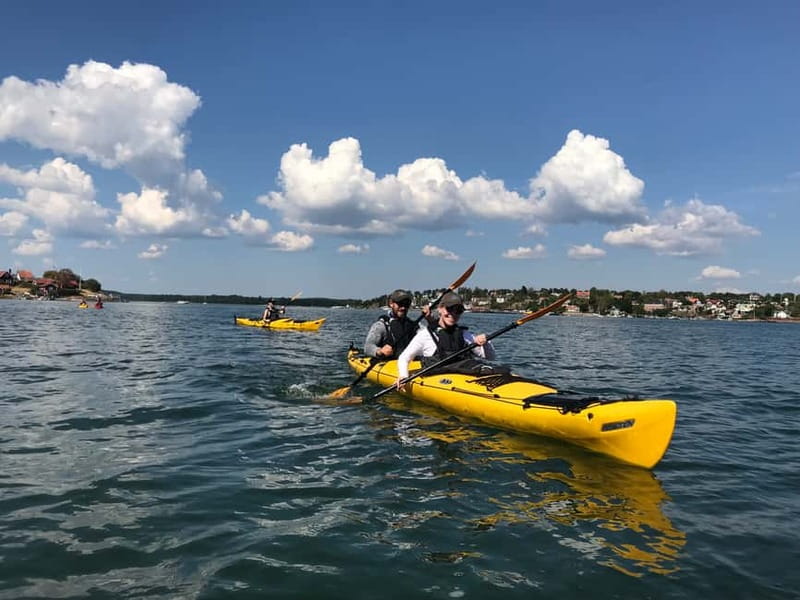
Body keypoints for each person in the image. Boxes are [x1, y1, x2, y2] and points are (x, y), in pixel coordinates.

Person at [396, 291, 507, 389]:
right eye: (449, 309)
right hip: (437, 381)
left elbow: (490, 357)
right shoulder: (425, 335)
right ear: (440, 309)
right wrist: (404, 376)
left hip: (463, 379)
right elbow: (404, 358)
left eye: (458, 311)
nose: (453, 314)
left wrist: (486, 343)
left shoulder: (464, 334)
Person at [364, 289, 420, 359]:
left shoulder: (413, 325)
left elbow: (429, 336)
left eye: (406, 304)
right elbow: (367, 347)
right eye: (400, 304)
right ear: (391, 303)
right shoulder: (381, 326)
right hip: (388, 364)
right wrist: (379, 351)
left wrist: (431, 320)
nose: (403, 307)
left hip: (410, 363)